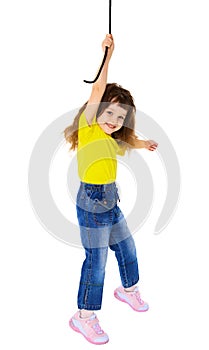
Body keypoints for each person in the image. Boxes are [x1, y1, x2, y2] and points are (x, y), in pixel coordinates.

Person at [64, 34, 158, 345]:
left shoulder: (110, 140)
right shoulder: (89, 128)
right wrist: (108, 55)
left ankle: (128, 289)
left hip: (110, 200)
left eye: (121, 117)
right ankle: (84, 317)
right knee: (97, 260)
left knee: (127, 247)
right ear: (97, 111)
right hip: (90, 202)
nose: (114, 120)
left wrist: (144, 143)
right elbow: (98, 90)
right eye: (110, 112)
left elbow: (125, 142)